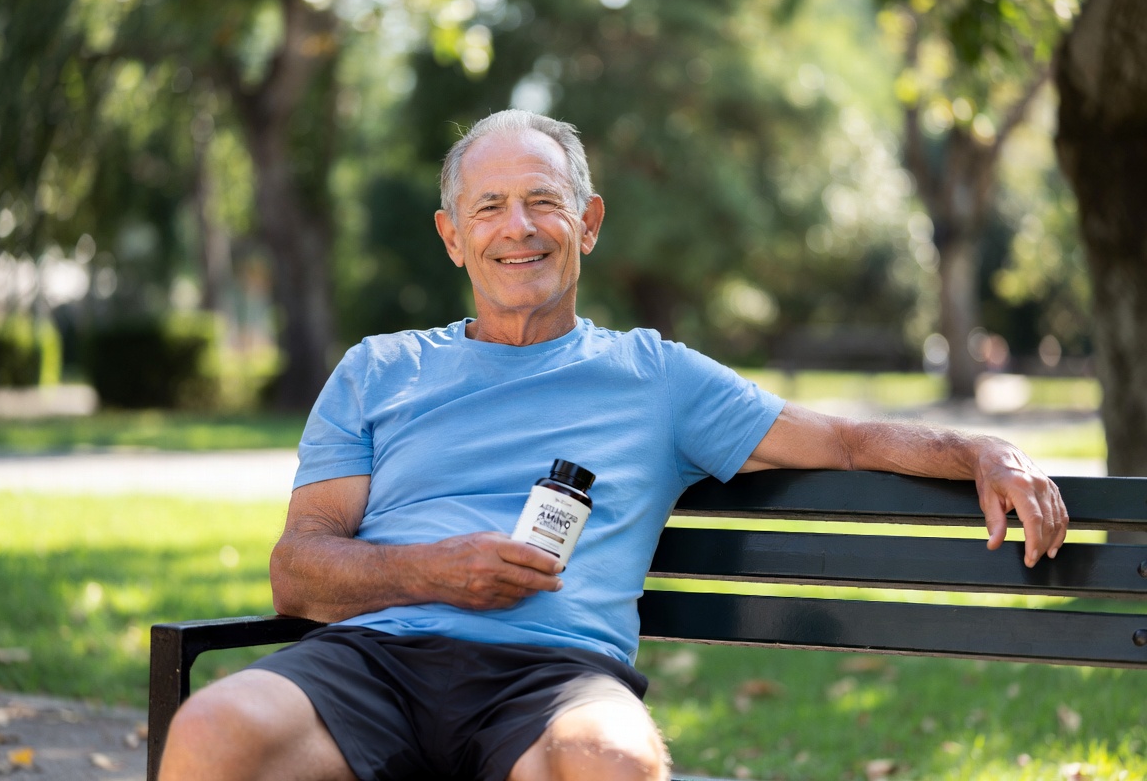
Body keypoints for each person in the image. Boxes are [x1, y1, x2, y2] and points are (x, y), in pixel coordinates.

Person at [159, 110, 1069, 781]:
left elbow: (847, 439)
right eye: (489, 207)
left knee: (610, 761)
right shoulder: (377, 369)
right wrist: (434, 572)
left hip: (552, 681)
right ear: (453, 237)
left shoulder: (657, 377)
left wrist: (979, 451)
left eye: (542, 202)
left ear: (588, 223)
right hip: (371, 665)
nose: (517, 228)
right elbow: (298, 572)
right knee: (212, 728)